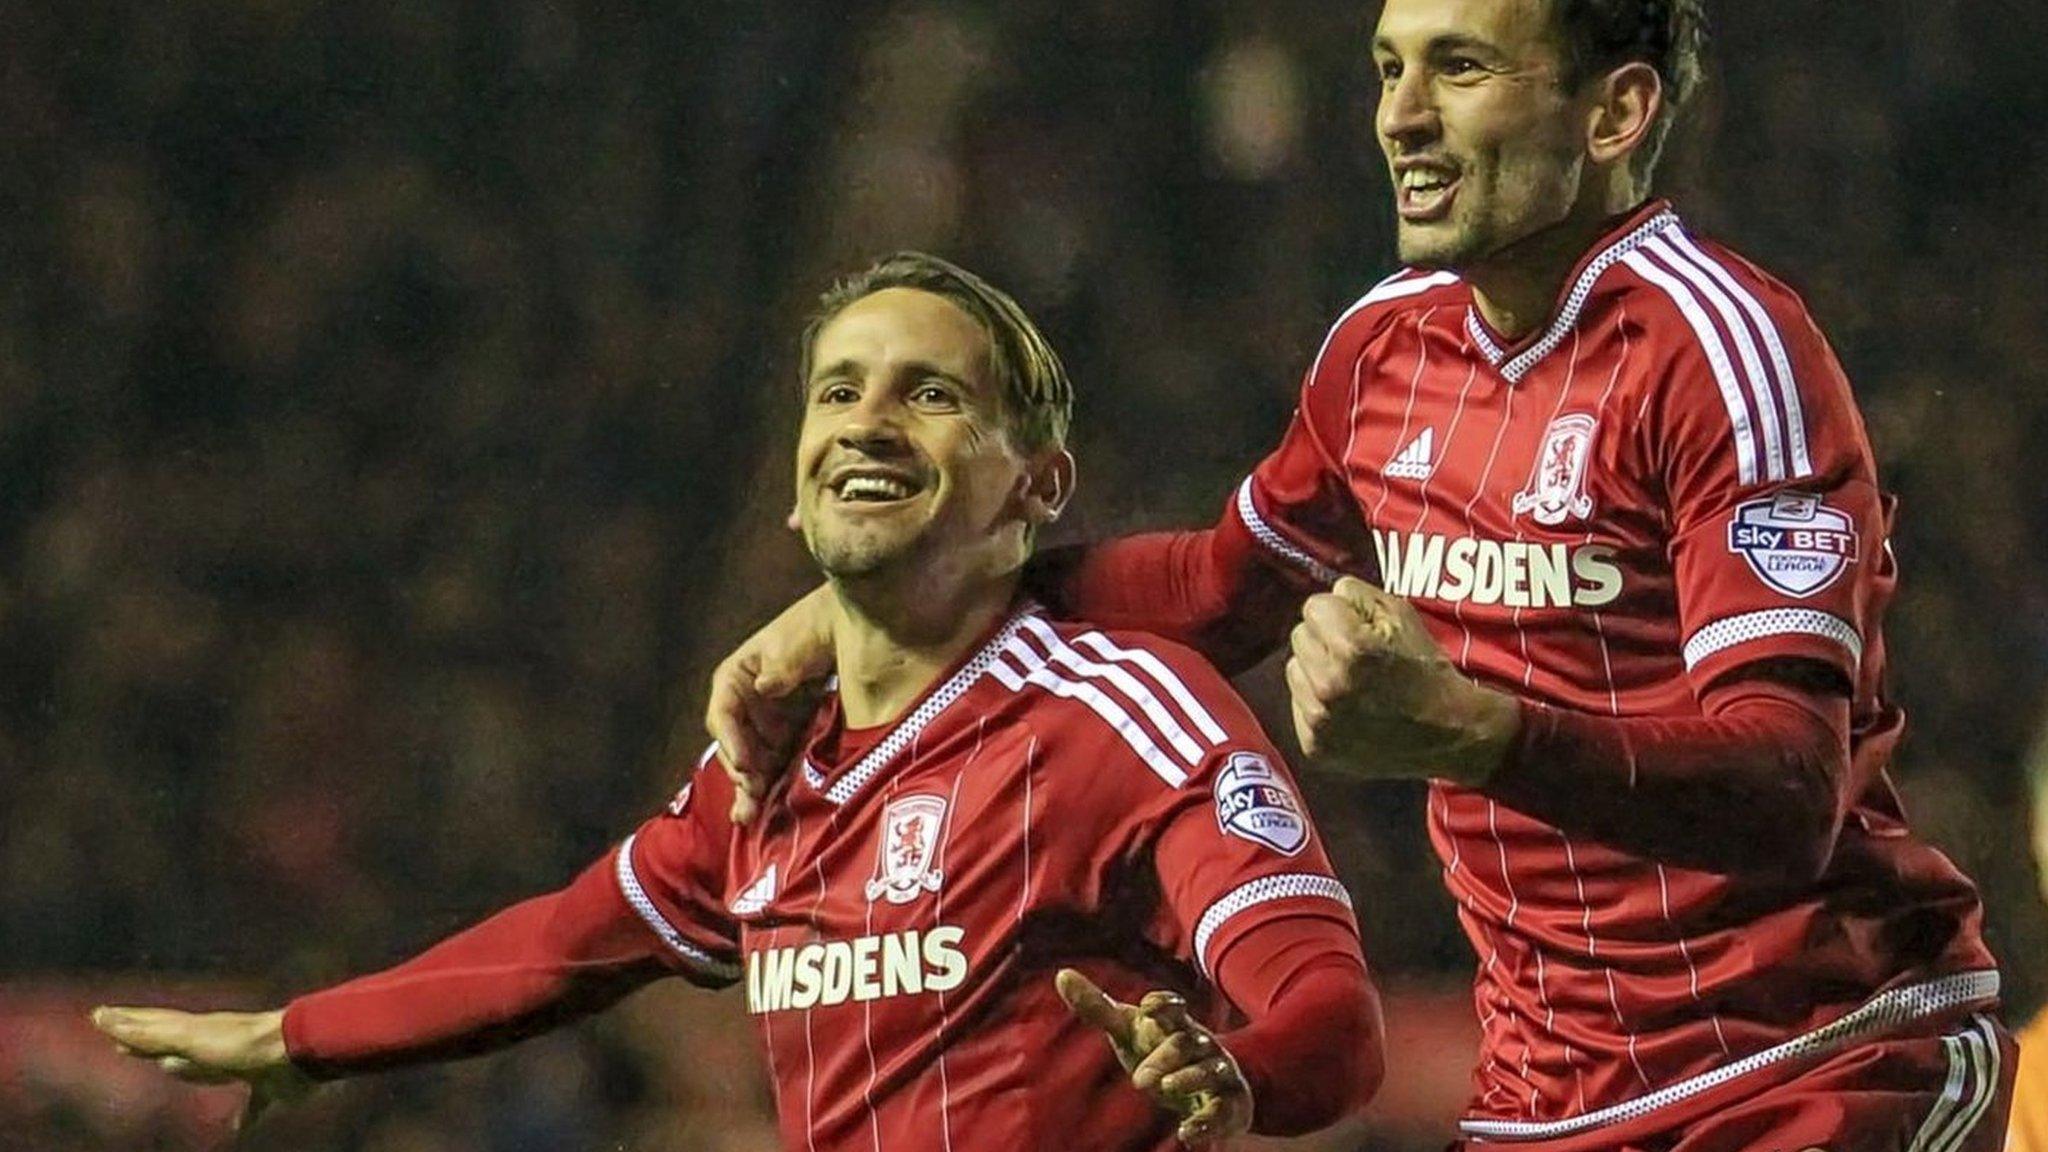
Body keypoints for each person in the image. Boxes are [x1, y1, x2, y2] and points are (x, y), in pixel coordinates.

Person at [709, 3, 2012, 1148]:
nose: (1400, 116)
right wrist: (884, 601)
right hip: (1553, 1098)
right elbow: (1221, 592)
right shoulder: (1383, 348)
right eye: (1389, 68)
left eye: (1459, 68)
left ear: (1615, 111)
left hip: (1816, 1061)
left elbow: (1788, 785)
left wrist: (1471, 732)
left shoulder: (1725, 354)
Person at [91, 253, 1383, 1150]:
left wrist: (1235, 1078)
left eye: (930, 395)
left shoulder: (1124, 716)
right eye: (838, 391)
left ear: (1039, 486)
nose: (869, 423)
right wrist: (303, 1035)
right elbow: (561, 950)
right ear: (795, 474)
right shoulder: (764, 766)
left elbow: (1332, 1017)